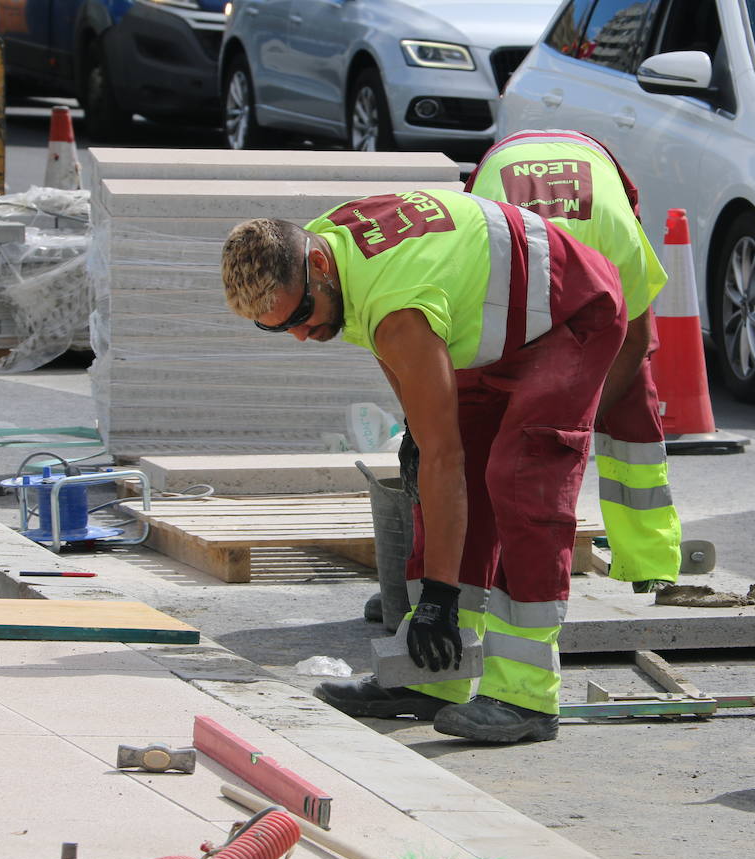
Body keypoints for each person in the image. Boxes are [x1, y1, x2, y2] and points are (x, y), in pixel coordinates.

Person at [219, 189, 627, 743]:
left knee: (517, 481)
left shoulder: (398, 307)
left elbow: (445, 456)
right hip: (487, 325)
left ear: (316, 265)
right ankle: (435, 677)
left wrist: (440, 597)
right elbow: (409, 393)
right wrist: (417, 426)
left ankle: (527, 698)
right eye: (275, 328)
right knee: (433, 480)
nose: (299, 335)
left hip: (571, 315)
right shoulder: (329, 252)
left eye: (299, 315)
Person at [465, 128, 682, 592]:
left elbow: (636, 340)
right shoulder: (485, 249)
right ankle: (478, 570)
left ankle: (650, 563)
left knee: (632, 404)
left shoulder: (617, 240)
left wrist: (580, 420)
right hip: (510, 221)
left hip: (589, 181)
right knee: (486, 416)